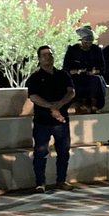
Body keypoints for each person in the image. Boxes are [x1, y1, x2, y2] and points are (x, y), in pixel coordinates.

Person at [26, 45, 75, 193]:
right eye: (44, 55)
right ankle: (40, 183)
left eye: (50, 54)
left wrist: (59, 104)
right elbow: (33, 96)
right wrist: (51, 107)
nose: (48, 57)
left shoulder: (63, 75)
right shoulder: (34, 78)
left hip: (61, 120)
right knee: (40, 153)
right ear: (39, 59)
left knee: (63, 152)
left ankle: (61, 180)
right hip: (42, 121)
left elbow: (71, 92)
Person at [63, 26, 106, 113]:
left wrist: (94, 72)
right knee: (74, 83)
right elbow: (65, 69)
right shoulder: (72, 50)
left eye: (90, 43)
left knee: (97, 80)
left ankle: (94, 105)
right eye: (86, 43)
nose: (88, 45)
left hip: (91, 76)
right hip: (75, 76)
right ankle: (79, 105)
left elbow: (102, 69)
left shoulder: (96, 50)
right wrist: (77, 71)